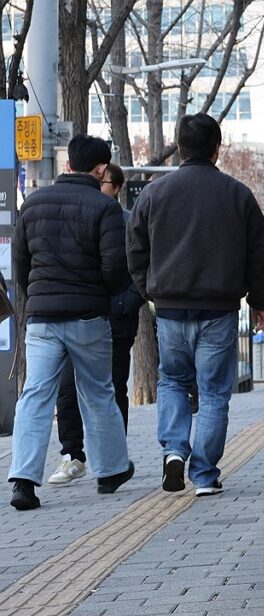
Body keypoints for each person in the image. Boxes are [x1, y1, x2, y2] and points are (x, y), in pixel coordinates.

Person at [127, 113, 264, 498]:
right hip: (219, 308)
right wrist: (260, 302)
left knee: (172, 380)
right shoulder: (237, 194)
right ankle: (204, 474)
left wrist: (149, 290)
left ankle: (174, 450)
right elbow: (260, 252)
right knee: (213, 391)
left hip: (171, 308)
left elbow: (135, 249)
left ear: (179, 146)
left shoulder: (154, 194)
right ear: (216, 148)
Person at [9, 135, 135, 510]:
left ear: (67, 165)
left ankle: (23, 481)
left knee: (35, 395)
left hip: (42, 317)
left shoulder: (33, 203)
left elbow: (21, 263)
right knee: (97, 390)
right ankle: (111, 470)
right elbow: (115, 268)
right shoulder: (105, 208)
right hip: (87, 316)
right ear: (100, 170)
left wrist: (38, 295)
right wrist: (99, 292)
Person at [48, 163, 145, 485]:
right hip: (81, 314)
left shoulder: (128, 222)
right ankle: (72, 455)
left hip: (115, 318)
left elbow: (141, 269)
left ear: (115, 187)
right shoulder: (78, 217)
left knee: (113, 387)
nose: (96, 187)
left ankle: (113, 458)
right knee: (67, 387)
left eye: (102, 183)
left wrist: (124, 304)